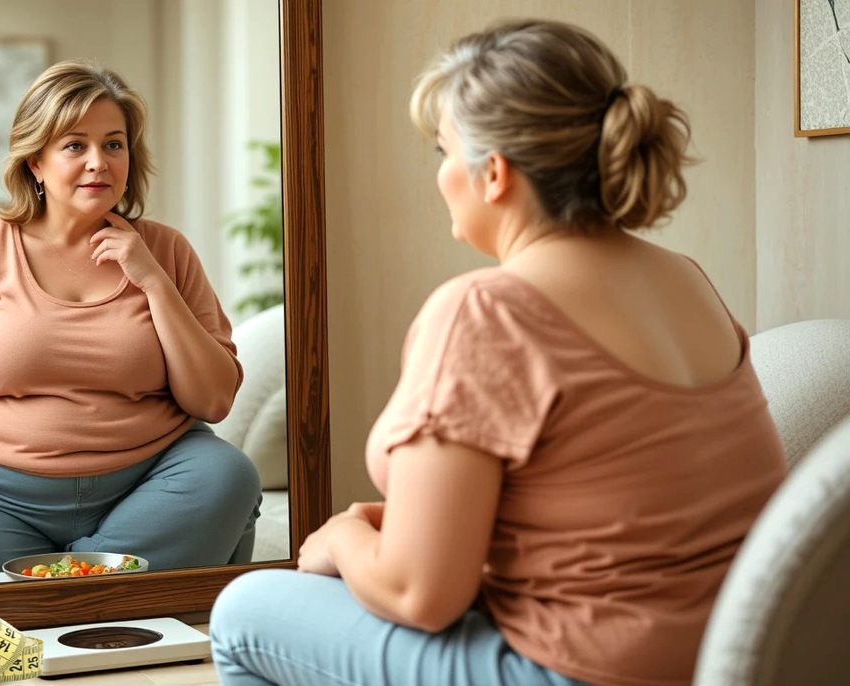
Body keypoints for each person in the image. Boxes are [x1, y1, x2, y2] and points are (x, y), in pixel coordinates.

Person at [210, 19, 787, 686]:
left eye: (442, 151)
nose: (440, 175)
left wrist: (340, 537)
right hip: (735, 659)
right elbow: (618, 501)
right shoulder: (689, 280)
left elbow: (419, 596)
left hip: (583, 671)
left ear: (494, 174)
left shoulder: (486, 311)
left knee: (245, 610)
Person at [0, 60, 261, 590]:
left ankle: (55, 585)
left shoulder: (167, 251)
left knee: (227, 477)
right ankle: (102, 584)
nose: (99, 162)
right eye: (75, 145)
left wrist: (153, 282)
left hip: (145, 485)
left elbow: (212, 402)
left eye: (114, 145)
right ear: (36, 163)